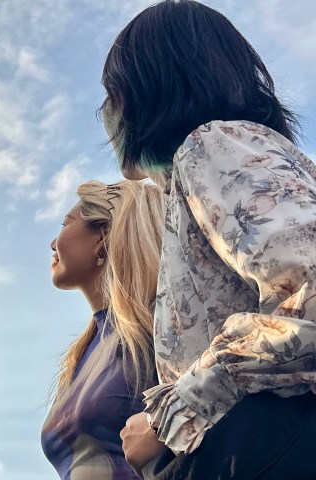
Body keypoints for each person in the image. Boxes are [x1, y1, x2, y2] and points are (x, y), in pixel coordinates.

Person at [101, 2, 316, 478]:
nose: (105, 113)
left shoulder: (212, 144)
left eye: (111, 92)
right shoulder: (249, 153)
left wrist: (173, 413)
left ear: (149, 86)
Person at [41, 179, 165, 479]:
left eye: (65, 223)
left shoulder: (158, 326)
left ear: (103, 235)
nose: (52, 242)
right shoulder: (84, 352)